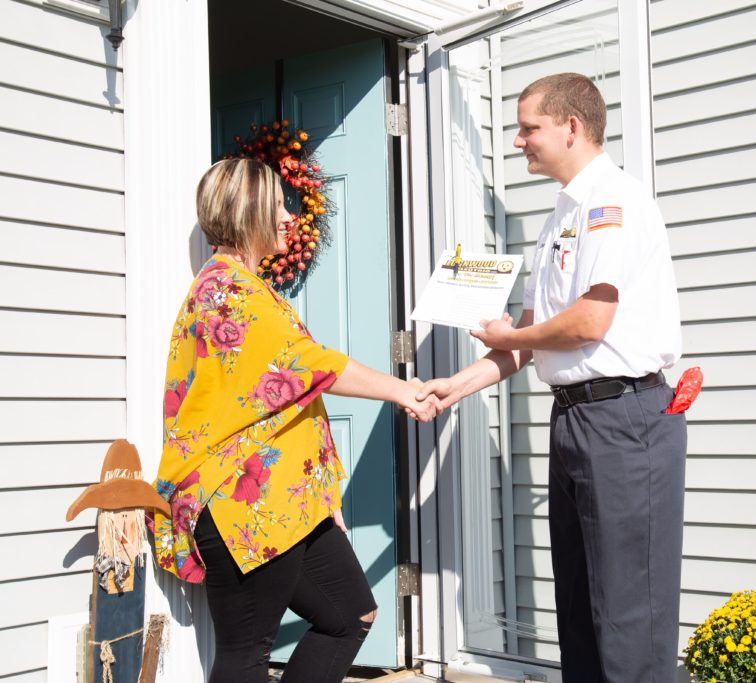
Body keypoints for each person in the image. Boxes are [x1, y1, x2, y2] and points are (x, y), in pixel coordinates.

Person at [417, 73, 686, 682]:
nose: (519, 140)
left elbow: (589, 322)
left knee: (628, 619)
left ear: (572, 127)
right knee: (583, 612)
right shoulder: (562, 218)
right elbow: (529, 340)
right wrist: (452, 389)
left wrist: (512, 335)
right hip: (577, 418)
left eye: (529, 127)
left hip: (626, 421)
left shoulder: (612, 203)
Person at [150, 158, 438, 683]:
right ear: (247, 212)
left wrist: (321, 499)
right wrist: (404, 392)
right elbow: (310, 365)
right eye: (278, 205)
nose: (290, 216)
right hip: (244, 503)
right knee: (247, 654)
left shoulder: (249, 289)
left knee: (350, 614)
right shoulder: (225, 292)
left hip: (289, 503)